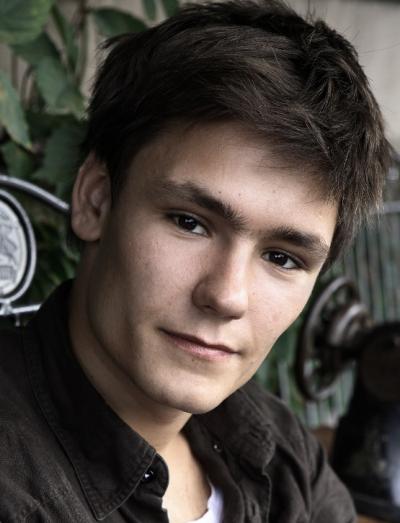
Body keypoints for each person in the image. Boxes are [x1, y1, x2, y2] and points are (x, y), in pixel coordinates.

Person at [0, 0, 390, 522]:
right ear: (96, 200)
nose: (227, 296)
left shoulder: (283, 454)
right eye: (190, 223)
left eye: (282, 257)